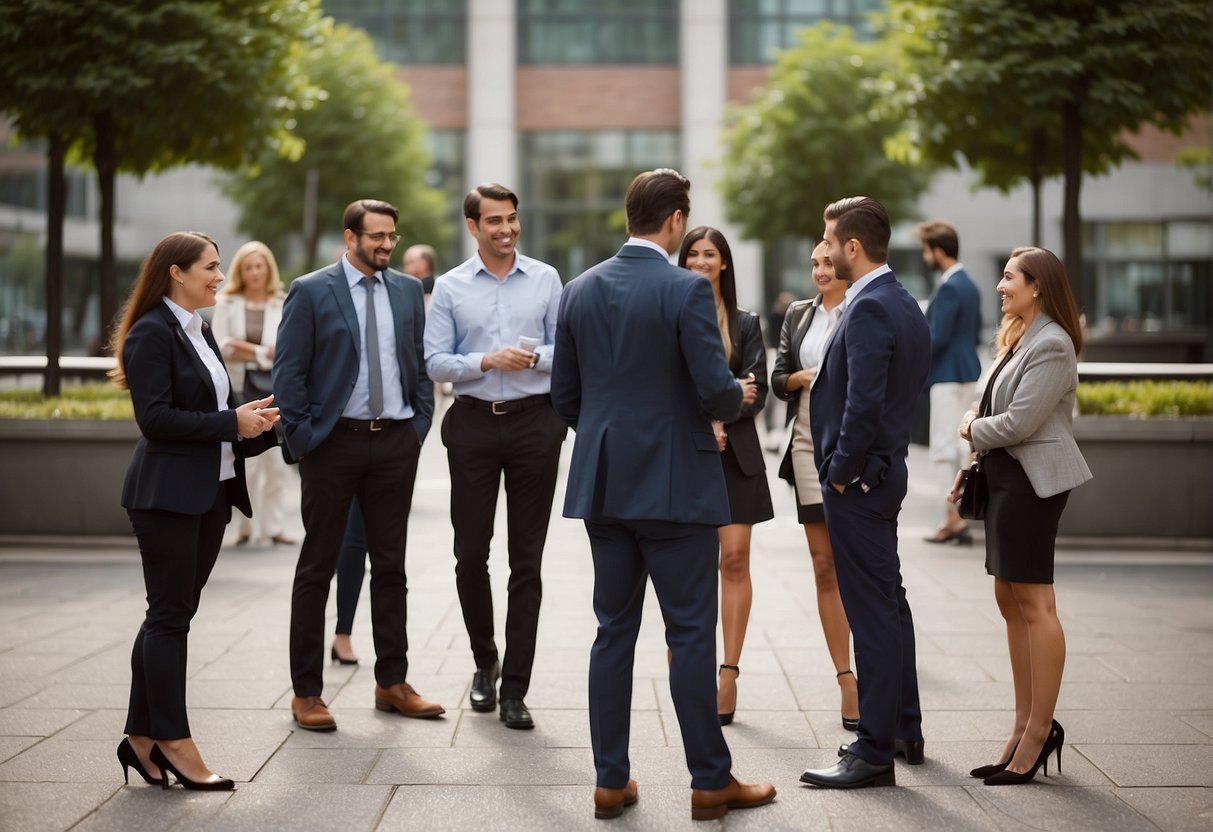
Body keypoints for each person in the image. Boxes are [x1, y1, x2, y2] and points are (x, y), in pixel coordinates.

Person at [551, 168, 775, 821]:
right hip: (678, 484)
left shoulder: (577, 290)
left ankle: (609, 780)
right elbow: (714, 390)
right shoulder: (686, 290)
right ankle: (709, 781)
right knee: (690, 632)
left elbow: (565, 396)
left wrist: (610, 439)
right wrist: (736, 395)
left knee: (612, 631)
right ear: (675, 220)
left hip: (605, 483)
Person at [109, 232, 280, 790]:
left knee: (171, 613)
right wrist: (231, 422)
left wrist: (253, 423)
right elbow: (155, 420)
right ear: (176, 272)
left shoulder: (199, 330)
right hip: (166, 497)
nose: (219, 276)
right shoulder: (151, 332)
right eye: (210, 267)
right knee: (169, 616)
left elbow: (212, 413)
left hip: (209, 494)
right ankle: (174, 742)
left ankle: (141, 739)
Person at [273, 199, 440, 733]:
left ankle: (393, 682)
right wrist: (305, 439)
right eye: (376, 237)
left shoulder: (408, 290)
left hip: (394, 443)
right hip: (333, 445)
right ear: (350, 238)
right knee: (317, 566)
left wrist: (417, 427)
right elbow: (289, 372)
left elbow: (417, 363)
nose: (387, 245)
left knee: (391, 566)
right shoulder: (311, 290)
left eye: (392, 236)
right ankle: (306, 692)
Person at [799, 196, 930, 790]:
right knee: (889, 603)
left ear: (853, 246)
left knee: (871, 612)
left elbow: (864, 401)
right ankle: (903, 726)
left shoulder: (872, 305)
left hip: (861, 482)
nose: (825, 252)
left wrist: (840, 471)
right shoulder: (899, 299)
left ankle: (873, 749)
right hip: (882, 474)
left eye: (830, 242)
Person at [424, 183, 567, 730]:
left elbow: (565, 349)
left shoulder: (546, 278)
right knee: (470, 554)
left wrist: (529, 358)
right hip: (474, 427)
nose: (505, 229)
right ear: (473, 226)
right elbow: (436, 362)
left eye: (511, 219)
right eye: (494, 221)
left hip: (534, 424)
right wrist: (486, 360)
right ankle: (485, 662)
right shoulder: (451, 287)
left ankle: (516, 689)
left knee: (526, 561)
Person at [951, 246, 1091, 785]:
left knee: (1035, 603)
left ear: (1037, 286)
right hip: (1004, 479)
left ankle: (1038, 733)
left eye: (1009, 278)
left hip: (1033, 483)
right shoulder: (1019, 336)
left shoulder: (1052, 343)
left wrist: (970, 428)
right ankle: (1021, 727)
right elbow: (993, 408)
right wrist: (971, 457)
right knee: (1009, 600)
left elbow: (1018, 424)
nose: (1000, 286)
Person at [677, 226, 773, 725]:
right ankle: (687, 667)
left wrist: (722, 415)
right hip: (686, 453)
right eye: (692, 254)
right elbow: (669, 383)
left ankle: (728, 672)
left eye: (709, 254)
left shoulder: (745, 322)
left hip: (735, 455)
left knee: (734, 561)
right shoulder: (671, 312)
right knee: (690, 567)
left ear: (725, 262)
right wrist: (711, 413)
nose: (700, 261)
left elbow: (756, 390)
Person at [770, 240, 859, 734]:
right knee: (824, 564)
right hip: (806, 444)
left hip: (851, 444)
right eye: (814, 264)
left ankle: (876, 667)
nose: (821, 271)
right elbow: (778, 376)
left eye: (828, 262)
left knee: (856, 567)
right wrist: (799, 378)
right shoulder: (799, 314)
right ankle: (846, 678)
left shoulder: (859, 308)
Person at [210, 241, 294, 547]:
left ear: (268, 269)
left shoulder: (282, 302)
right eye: (248, 267)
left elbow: (284, 350)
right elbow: (222, 347)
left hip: (275, 389)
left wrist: (245, 348)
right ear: (240, 271)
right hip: (240, 390)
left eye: (260, 266)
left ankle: (274, 527)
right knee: (248, 461)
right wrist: (261, 352)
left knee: (276, 462)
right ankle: (246, 528)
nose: (255, 272)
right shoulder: (227, 302)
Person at [917, 220, 983, 544]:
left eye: (926, 250)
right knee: (961, 445)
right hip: (968, 370)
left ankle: (952, 518)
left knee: (945, 447)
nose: (924, 257)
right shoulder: (970, 284)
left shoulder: (948, 287)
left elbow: (936, 337)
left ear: (939, 251)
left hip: (946, 374)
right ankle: (959, 514)